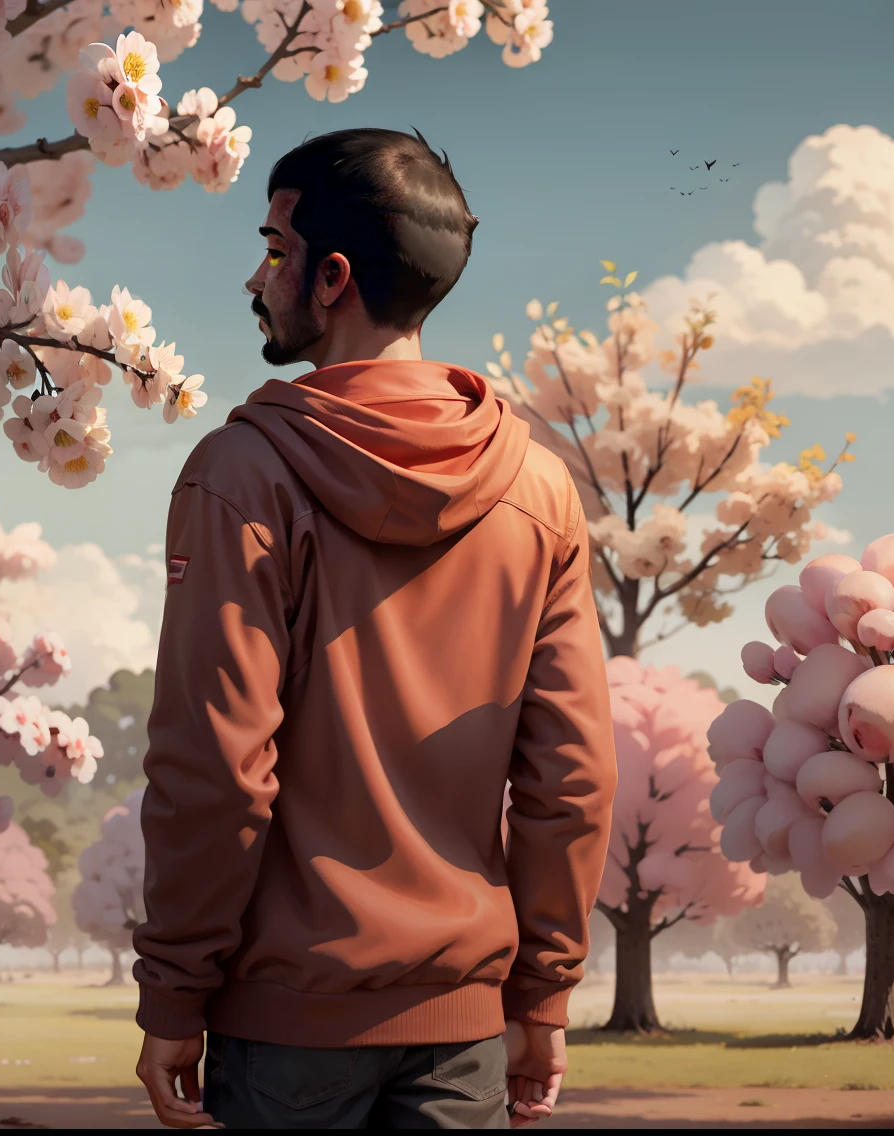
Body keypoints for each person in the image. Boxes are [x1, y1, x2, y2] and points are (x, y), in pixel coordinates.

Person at [131, 128, 617, 1130]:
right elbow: (569, 775)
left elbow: (214, 763)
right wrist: (542, 993)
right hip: (463, 1031)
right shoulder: (536, 489)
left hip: (283, 1034)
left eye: (273, 247)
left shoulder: (241, 474)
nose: (253, 276)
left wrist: (176, 990)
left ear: (331, 277)